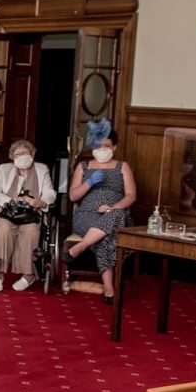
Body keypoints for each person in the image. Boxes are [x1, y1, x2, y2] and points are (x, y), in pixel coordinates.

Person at [63, 128, 136, 304]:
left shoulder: (122, 166)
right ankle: (109, 288)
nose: (102, 149)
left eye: (107, 146)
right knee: (108, 235)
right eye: (98, 145)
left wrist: (113, 207)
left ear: (115, 147)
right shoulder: (84, 167)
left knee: (115, 217)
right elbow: (73, 196)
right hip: (86, 216)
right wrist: (89, 182)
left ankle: (81, 246)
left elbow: (131, 195)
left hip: (117, 214)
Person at [0, 139, 56, 292]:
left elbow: (50, 192)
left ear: (32, 153)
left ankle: (28, 274)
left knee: (31, 231)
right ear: (12, 157)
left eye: (25, 152)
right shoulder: (4, 169)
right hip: (8, 212)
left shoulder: (41, 169)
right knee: (3, 230)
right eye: (18, 154)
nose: (22, 156)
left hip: (31, 213)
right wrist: (10, 200)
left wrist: (41, 202)